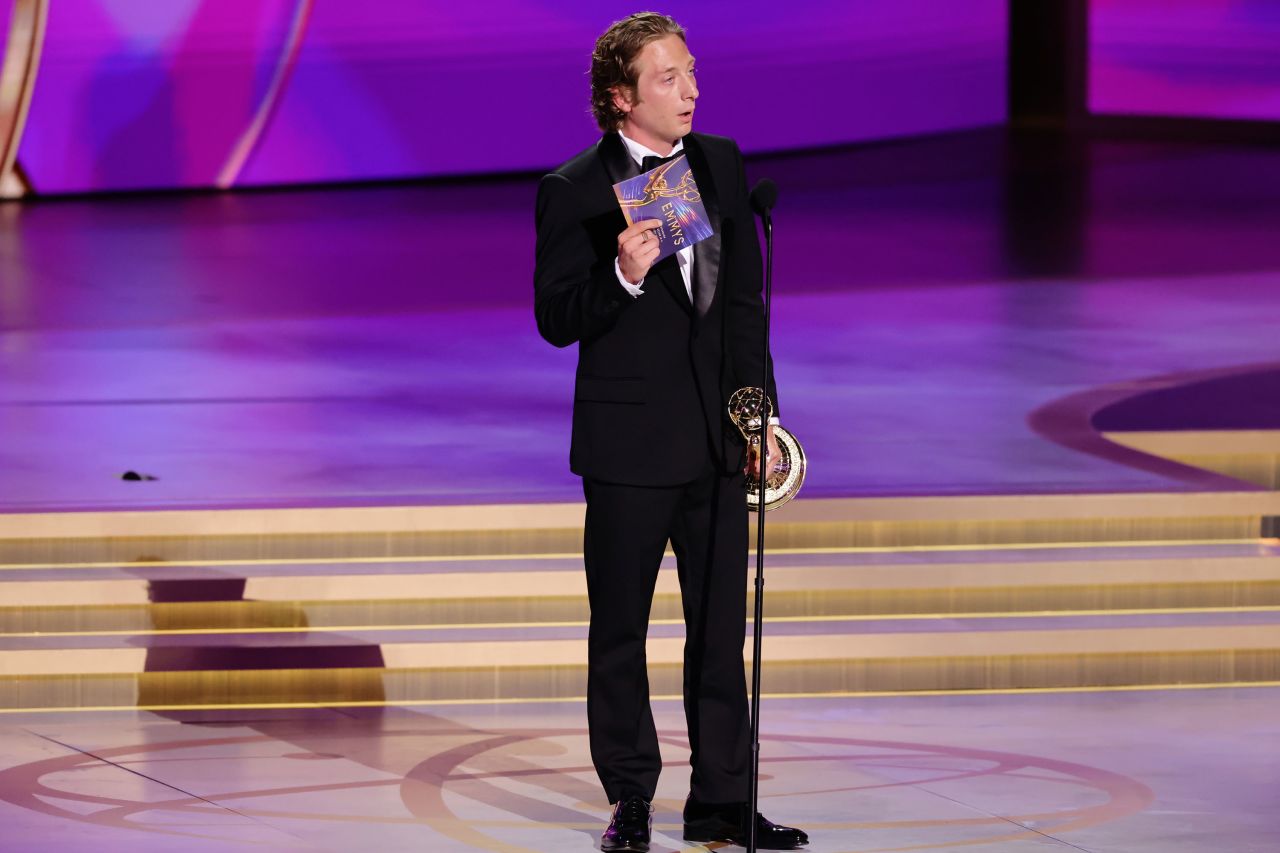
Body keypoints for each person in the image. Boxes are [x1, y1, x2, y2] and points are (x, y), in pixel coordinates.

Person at [532, 12, 808, 852]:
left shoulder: (719, 164)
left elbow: (741, 306)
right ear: (620, 97)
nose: (690, 90)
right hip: (628, 447)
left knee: (719, 631)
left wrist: (756, 411)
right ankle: (630, 795)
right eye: (667, 78)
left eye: (691, 73)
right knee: (621, 629)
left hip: (718, 440)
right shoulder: (575, 188)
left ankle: (723, 797)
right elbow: (557, 317)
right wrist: (621, 273)